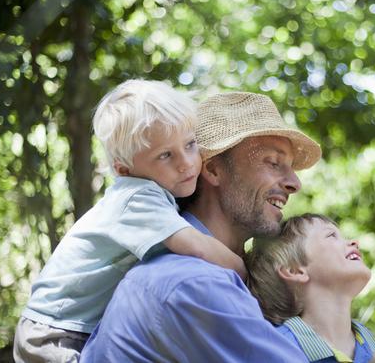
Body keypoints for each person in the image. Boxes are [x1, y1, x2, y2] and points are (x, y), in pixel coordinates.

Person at [81, 92, 375, 362]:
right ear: (213, 169)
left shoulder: (231, 282)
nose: (294, 184)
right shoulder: (193, 282)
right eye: (273, 163)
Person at [13, 80, 245, 363]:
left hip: (65, 326)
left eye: (190, 144)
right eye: (165, 155)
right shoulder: (138, 198)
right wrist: (244, 272)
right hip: (53, 333)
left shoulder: (153, 194)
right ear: (124, 169)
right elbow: (198, 248)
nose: (186, 162)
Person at [246, 213, 375, 363]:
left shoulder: (374, 346)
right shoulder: (276, 348)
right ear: (295, 270)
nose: (354, 242)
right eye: (331, 235)